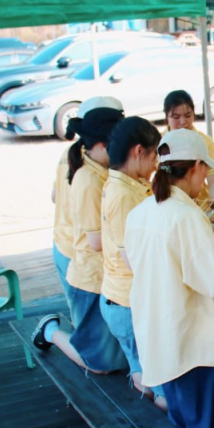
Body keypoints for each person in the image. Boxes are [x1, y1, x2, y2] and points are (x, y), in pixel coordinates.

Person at [125, 128, 214, 428]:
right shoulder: (185, 217)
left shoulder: (143, 211)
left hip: (160, 340)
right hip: (193, 349)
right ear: (199, 167)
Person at [33, 108, 128, 375]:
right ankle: (50, 331)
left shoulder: (96, 165)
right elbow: (97, 242)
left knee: (110, 353)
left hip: (103, 274)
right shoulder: (88, 179)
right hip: (90, 277)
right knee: (99, 364)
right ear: (100, 145)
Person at [98, 116, 161, 403]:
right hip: (126, 302)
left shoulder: (127, 184)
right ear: (138, 151)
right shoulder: (123, 194)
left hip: (123, 299)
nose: (156, 164)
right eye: (154, 154)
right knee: (150, 380)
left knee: (146, 374)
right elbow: (132, 258)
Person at [51, 96, 123, 311]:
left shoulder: (72, 153)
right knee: (91, 339)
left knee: (87, 334)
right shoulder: (93, 173)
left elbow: (55, 196)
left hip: (65, 245)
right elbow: (97, 241)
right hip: (85, 263)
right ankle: (50, 332)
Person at [163, 89, 214, 209]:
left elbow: (213, 179)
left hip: (201, 207)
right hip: (169, 206)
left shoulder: (205, 141)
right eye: (176, 117)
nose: (182, 122)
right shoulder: (159, 142)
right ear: (166, 117)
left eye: (188, 115)